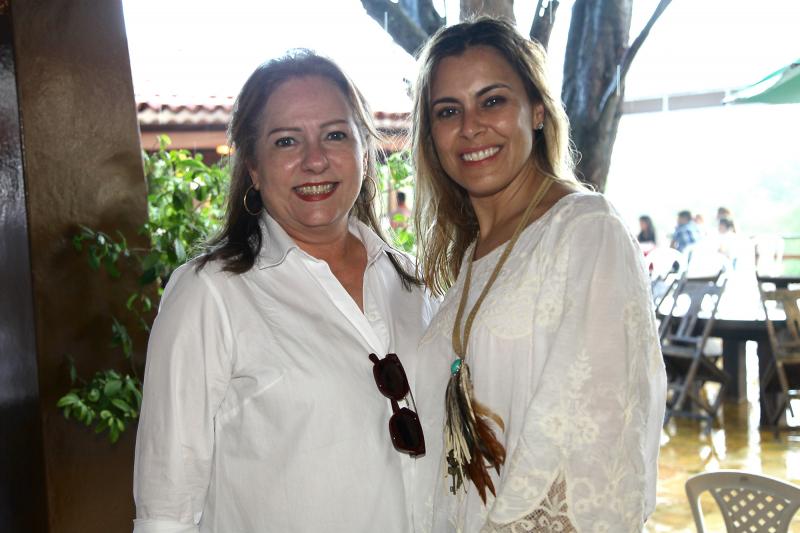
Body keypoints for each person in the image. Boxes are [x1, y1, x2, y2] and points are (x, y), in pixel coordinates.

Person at [132, 50, 437, 533]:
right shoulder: (210, 295)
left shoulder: (416, 285)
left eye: (335, 135)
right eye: (286, 141)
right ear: (253, 166)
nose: (314, 160)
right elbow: (165, 512)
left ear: (364, 150)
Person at [409, 17, 666, 533]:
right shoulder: (469, 255)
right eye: (448, 111)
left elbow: (593, 451)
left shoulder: (586, 230)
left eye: (493, 101)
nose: (471, 126)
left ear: (538, 111)